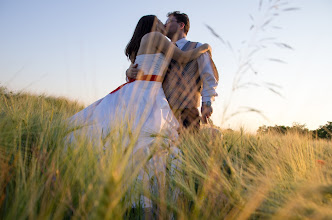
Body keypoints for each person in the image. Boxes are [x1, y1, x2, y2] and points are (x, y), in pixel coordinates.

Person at [66, 15, 211, 208]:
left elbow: (137, 66)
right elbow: (183, 58)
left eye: (166, 21)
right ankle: (140, 194)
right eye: (160, 21)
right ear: (153, 24)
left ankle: (122, 189)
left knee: (132, 138)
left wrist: (128, 71)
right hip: (148, 92)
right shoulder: (155, 37)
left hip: (141, 90)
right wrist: (206, 47)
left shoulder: (145, 41)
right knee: (144, 140)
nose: (163, 23)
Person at [127, 11, 219, 131]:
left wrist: (207, 103)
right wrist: (129, 71)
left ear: (181, 25)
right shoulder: (158, 47)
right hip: (159, 108)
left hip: (188, 110)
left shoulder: (197, 47)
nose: (165, 25)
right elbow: (143, 64)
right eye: (163, 22)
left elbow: (208, 78)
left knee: (188, 147)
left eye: (169, 21)